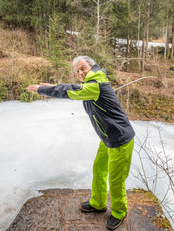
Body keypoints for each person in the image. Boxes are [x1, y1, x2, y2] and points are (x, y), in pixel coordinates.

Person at [27, 56, 135, 230]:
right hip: (107, 137)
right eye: (77, 71)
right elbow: (76, 88)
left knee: (116, 179)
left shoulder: (97, 84)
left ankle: (119, 212)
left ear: (92, 67)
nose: (80, 73)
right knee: (99, 169)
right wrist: (51, 87)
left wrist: (44, 90)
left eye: (83, 68)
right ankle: (98, 203)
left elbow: (72, 91)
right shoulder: (91, 84)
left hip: (120, 139)